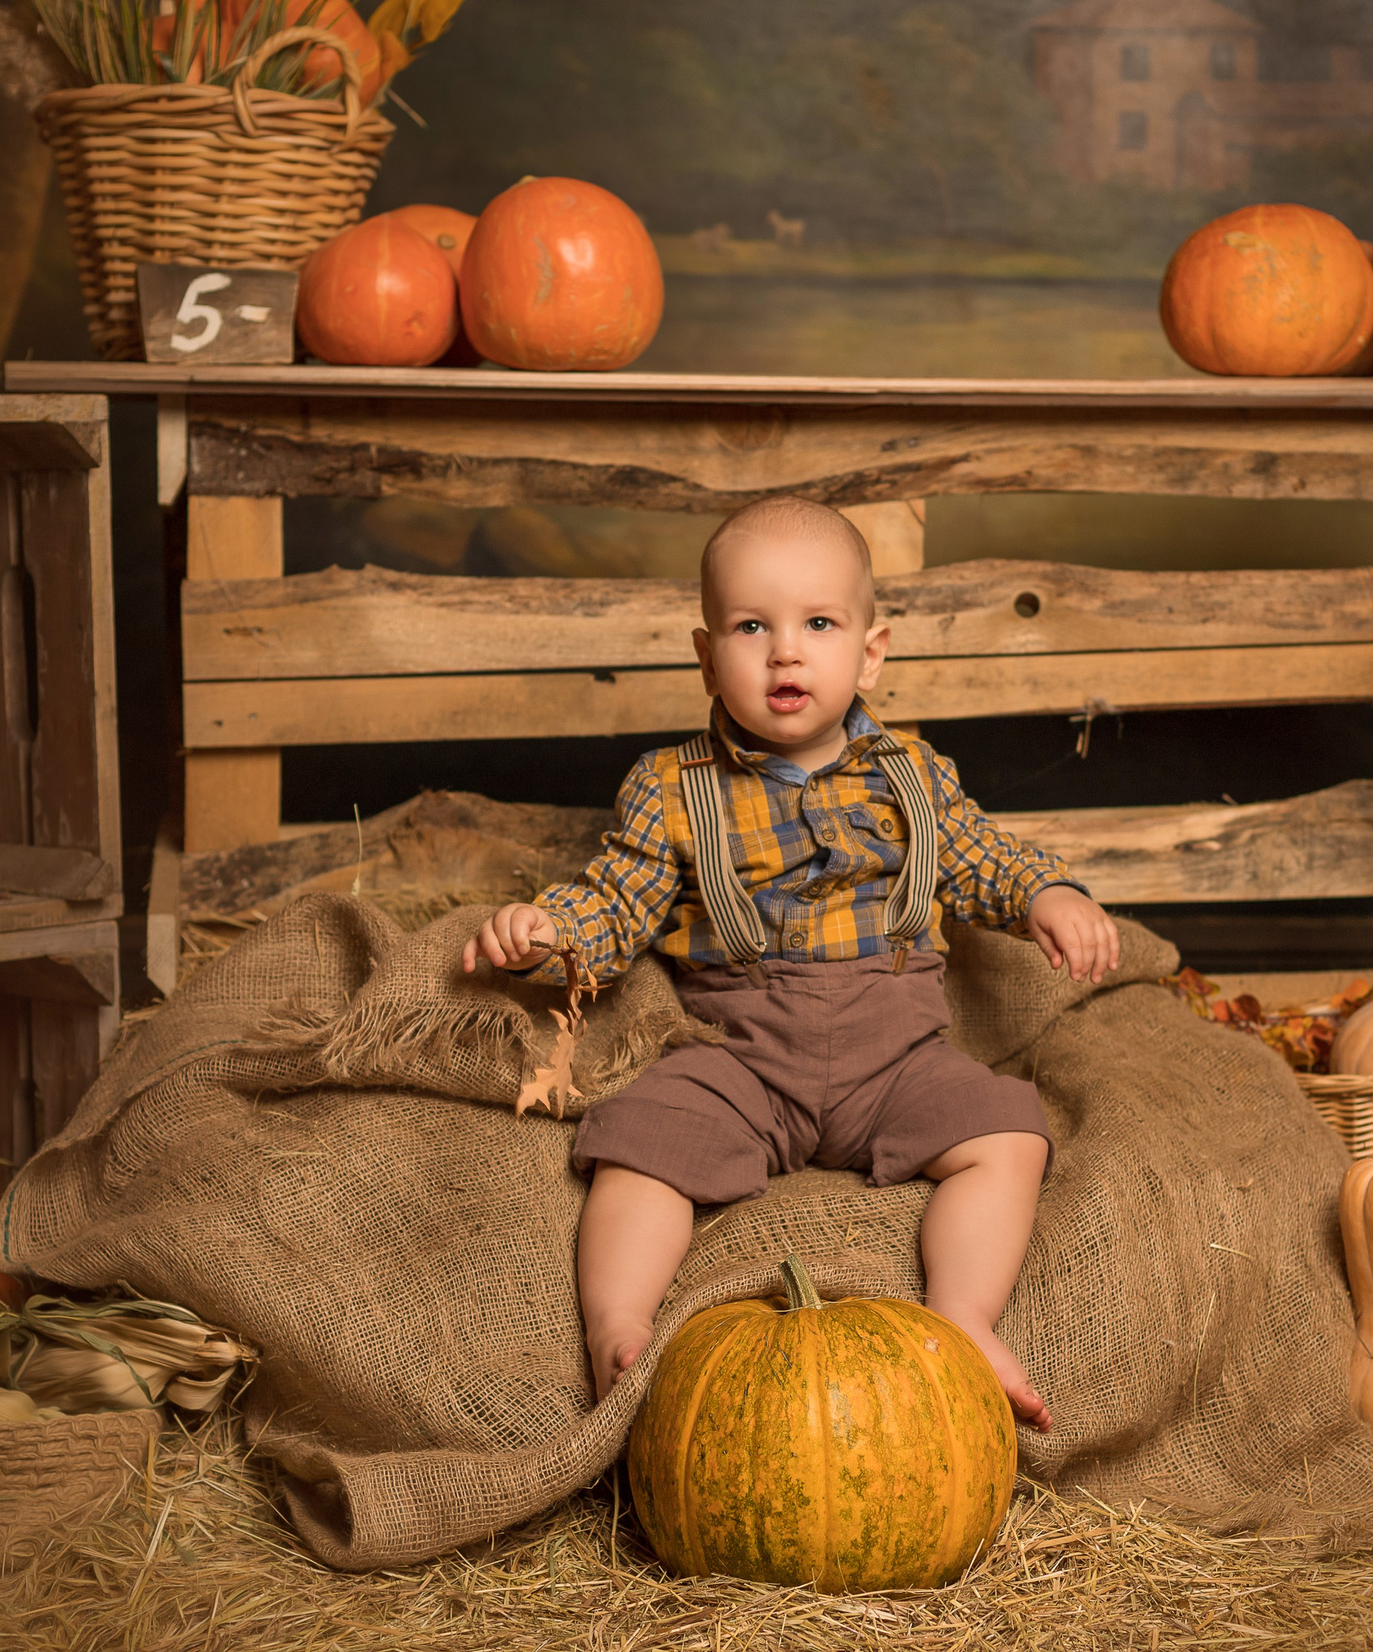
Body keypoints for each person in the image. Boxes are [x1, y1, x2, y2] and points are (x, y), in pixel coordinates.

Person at [461, 495, 1119, 1428]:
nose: (785, 652)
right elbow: (617, 899)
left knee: (1007, 1132)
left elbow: (981, 857)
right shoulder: (672, 789)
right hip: (740, 1056)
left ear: (871, 649)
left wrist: (1052, 895)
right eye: (750, 626)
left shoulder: (915, 773)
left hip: (897, 1062)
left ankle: (964, 1315)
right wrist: (546, 934)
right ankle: (619, 1325)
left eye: (818, 623)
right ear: (705, 655)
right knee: (640, 1145)